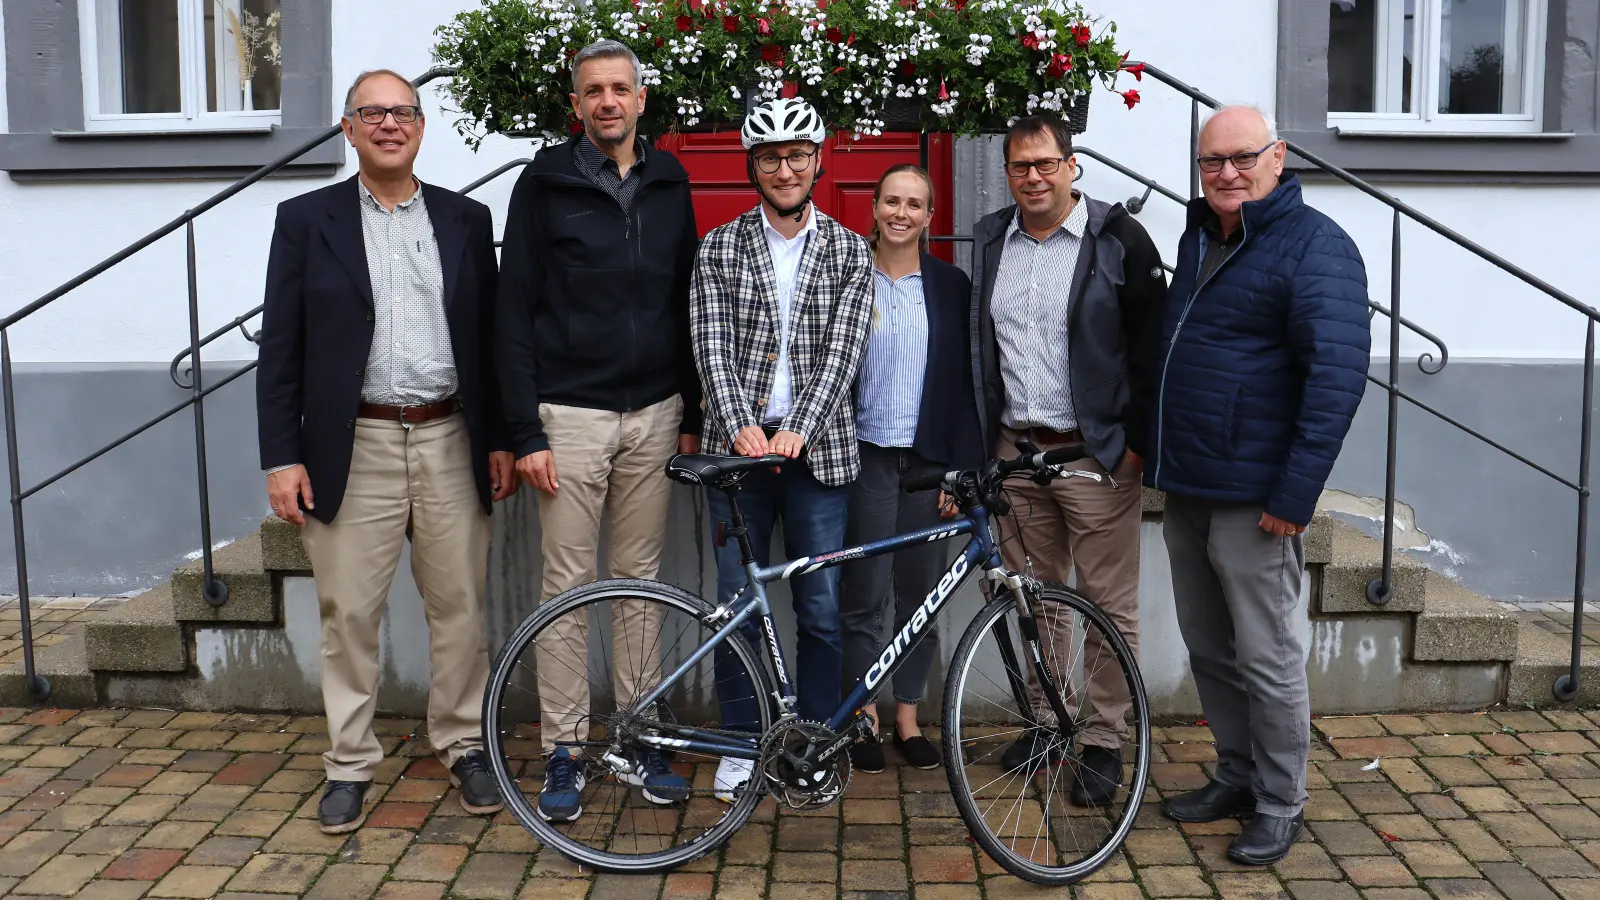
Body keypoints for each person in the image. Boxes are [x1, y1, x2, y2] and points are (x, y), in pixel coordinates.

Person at [255, 69, 515, 834]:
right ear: (348, 128)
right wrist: (281, 456)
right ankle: (348, 762)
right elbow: (281, 348)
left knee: (459, 608)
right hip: (353, 442)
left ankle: (463, 744)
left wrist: (500, 437)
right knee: (349, 615)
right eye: (372, 113)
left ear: (422, 126)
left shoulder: (466, 219)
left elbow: (490, 341)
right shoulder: (306, 220)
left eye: (403, 112)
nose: (389, 124)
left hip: (450, 436)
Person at [1148, 104, 1370, 865]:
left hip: (1257, 497)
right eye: (1212, 161)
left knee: (1267, 657)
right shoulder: (1201, 236)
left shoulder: (1317, 247)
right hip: (1190, 482)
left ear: (1278, 157)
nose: (1227, 173)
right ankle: (1237, 776)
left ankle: (1280, 801)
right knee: (1210, 647)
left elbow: (1335, 380)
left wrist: (1294, 495)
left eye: (1243, 157)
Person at [495, 39, 701, 825]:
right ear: (575, 103)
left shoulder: (670, 180)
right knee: (567, 588)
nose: (608, 101)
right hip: (570, 417)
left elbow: (685, 298)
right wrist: (525, 432)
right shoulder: (544, 183)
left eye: (620, 88)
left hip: (655, 412)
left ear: (641, 99)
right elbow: (514, 311)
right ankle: (566, 750)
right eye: (594, 91)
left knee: (641, 583)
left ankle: (641, 735)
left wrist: (692, 413)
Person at [969, 113, 1166, 807]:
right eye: (1020, 166)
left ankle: (1105, 740)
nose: (1033, 177)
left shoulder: (1117, 238)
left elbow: (1152, 345)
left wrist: (1135, 440)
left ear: (1071, 165)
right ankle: (1050, 721)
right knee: (1033, 596)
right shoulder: (993, 237)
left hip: (1093, 453)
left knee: (1107, 605)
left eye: (1046, 163)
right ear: (1007, 173)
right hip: (1015, 451)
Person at [689, 97, 874, 801]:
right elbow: (709, 343)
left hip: (817, 456)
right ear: (753, 166)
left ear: (817, 161)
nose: (785, 169)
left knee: (819, 606)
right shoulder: (719, 247)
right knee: (735, 605)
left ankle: (814, 743)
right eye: (771, 157)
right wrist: (740, 422)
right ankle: (741, 743)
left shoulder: (849, 250)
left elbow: (844, 351)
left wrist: (802, 424)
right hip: (737, 458)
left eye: (797, 155)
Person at [838, 164, 982, 774]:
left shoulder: (950, 284)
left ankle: (908, 715)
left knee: (920, 595)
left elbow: (965, 381)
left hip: (928, 462)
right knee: (864, 594)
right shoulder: (848, 274)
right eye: (891, 201)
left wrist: (959, 470)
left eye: (914, 204)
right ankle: (863, 715)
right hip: (865, 454)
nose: (901, 213)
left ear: (929, 216)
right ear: (873, 207)